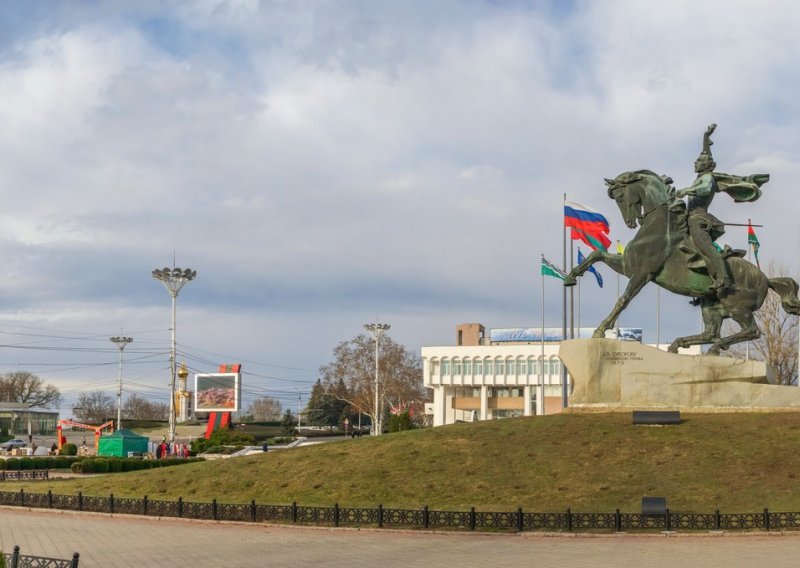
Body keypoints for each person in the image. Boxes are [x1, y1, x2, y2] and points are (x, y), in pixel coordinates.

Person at [675, 124, 730, 292]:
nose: (695, 162)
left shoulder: (708, 178)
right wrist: (706, 139)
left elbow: (705, 189)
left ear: (707, 166)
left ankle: (723, 277)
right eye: (697, 160)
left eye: (699, 161)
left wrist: (687, 190)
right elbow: (707, 154)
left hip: (699, 218)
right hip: (689, 216)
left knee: (705, 247)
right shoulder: (701, 176)